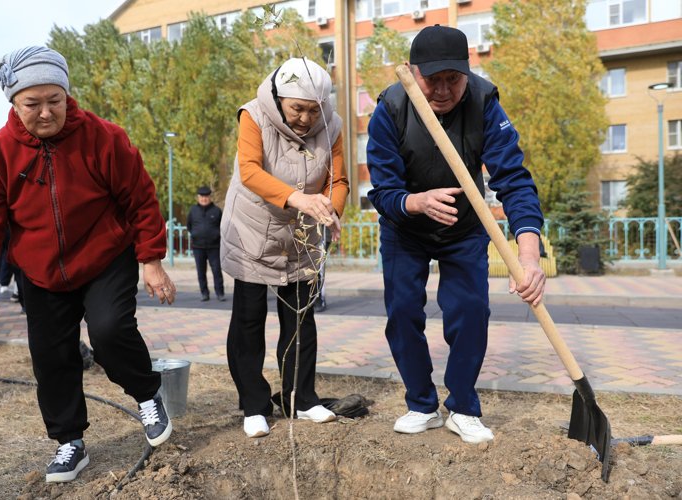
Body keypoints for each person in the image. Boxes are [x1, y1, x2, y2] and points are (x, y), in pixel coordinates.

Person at [0, 46, 176, 483]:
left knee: (109, 331)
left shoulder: (104, 138)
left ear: (69, 95)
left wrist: (151, 259)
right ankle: (70, 442)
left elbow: (140, 199)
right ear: (13, 103)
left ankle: (147, 394)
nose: (46, 113)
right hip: (41, 271)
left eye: (56, 100)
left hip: (105, 256)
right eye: (33, 103)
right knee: (50, 355)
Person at [366, 25, 546, 444]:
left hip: (465, 228)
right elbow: (383, 190)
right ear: (413, 73)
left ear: (467, 72)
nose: (444, 90)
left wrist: (529, 256)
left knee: (469, 311)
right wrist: (416, 202)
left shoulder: (484, 102)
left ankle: (462, 406)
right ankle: (421, 404)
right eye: (433, 79)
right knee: (403, 311)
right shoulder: (390, 108)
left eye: (454, 78)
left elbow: (514, 181)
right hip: (404, 228)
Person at [220, 57, 349, 439]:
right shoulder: (254, 115)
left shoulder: (334, 125)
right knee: (249, 318)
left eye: (314, 110)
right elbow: (251, 171)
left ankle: (300, 398)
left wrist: (332, 209)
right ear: (279, 99)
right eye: (298, 109)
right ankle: (254, 404)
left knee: (300, 318)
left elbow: (338, 179)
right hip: (253, 227)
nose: (307, 119)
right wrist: (299, 199)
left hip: (303, 229)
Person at [186, 185, 225, 301]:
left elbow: (222, 226)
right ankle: (204, 293)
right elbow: (189, 225)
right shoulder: (193, 210)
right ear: (198, 198)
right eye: (202, 197)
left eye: (206, 196)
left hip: (214, 247)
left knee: (217, 271)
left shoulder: (216, 211)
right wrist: (194, 234)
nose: (204, 199)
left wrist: (216, 235)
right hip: (198, 247)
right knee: (201, 272)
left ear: (210, 197)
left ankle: (220, 293)